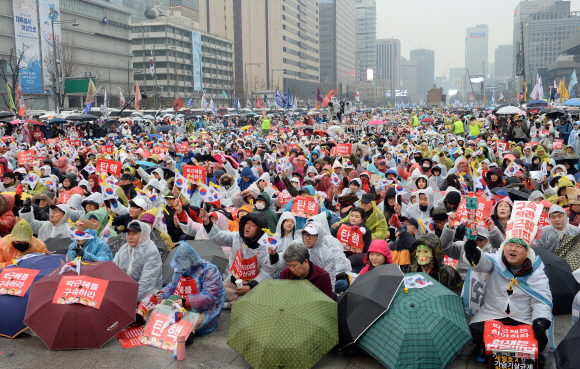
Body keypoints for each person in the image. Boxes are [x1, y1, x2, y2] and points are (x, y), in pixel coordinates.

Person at [464, 237, 553, 361]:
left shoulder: (536, 271)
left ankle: (496, 350)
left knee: (540, 339)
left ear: (527, 251)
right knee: (475, 332)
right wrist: (472, 252)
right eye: (510, 244)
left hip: (523, 317)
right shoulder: (495, 261)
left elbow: (540, 301)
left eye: (519, 246)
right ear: (503, 247)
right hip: (493, 314)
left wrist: (540, 321)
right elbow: (481, 263)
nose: (513, 249)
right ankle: (514, 352)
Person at [198, 209, 272, 308]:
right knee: (211, 287)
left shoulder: (265, 247)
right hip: (233, 282)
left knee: (220, 292)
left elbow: (266, 272)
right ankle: (235, 302)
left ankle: (230, 304)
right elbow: (220, 236)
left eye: (253, 225)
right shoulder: (238, 237)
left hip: (253, 288)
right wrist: (207, 222)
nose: (248, 227)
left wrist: (250, 286)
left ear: (260, 230)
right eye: (247, 223)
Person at [156, 242, 225, 338]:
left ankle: (186, 333)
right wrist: (162, 293)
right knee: (158, 307)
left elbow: (209, 297)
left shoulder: (209, 271)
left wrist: (186, 302)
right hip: (181, 303)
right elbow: (173, 285)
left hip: (204, 308)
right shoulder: (180, 268)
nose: (180, 271)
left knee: (193, 318)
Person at [113, 221, 163, 302]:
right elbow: (113, 270)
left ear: (144, 234)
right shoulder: (124, 248)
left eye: (134, 233)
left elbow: (147, 282)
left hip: (144, 297)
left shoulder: (151, 252)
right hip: (123, 293)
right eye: (129, 234)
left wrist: (130, 298)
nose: (130, 237)